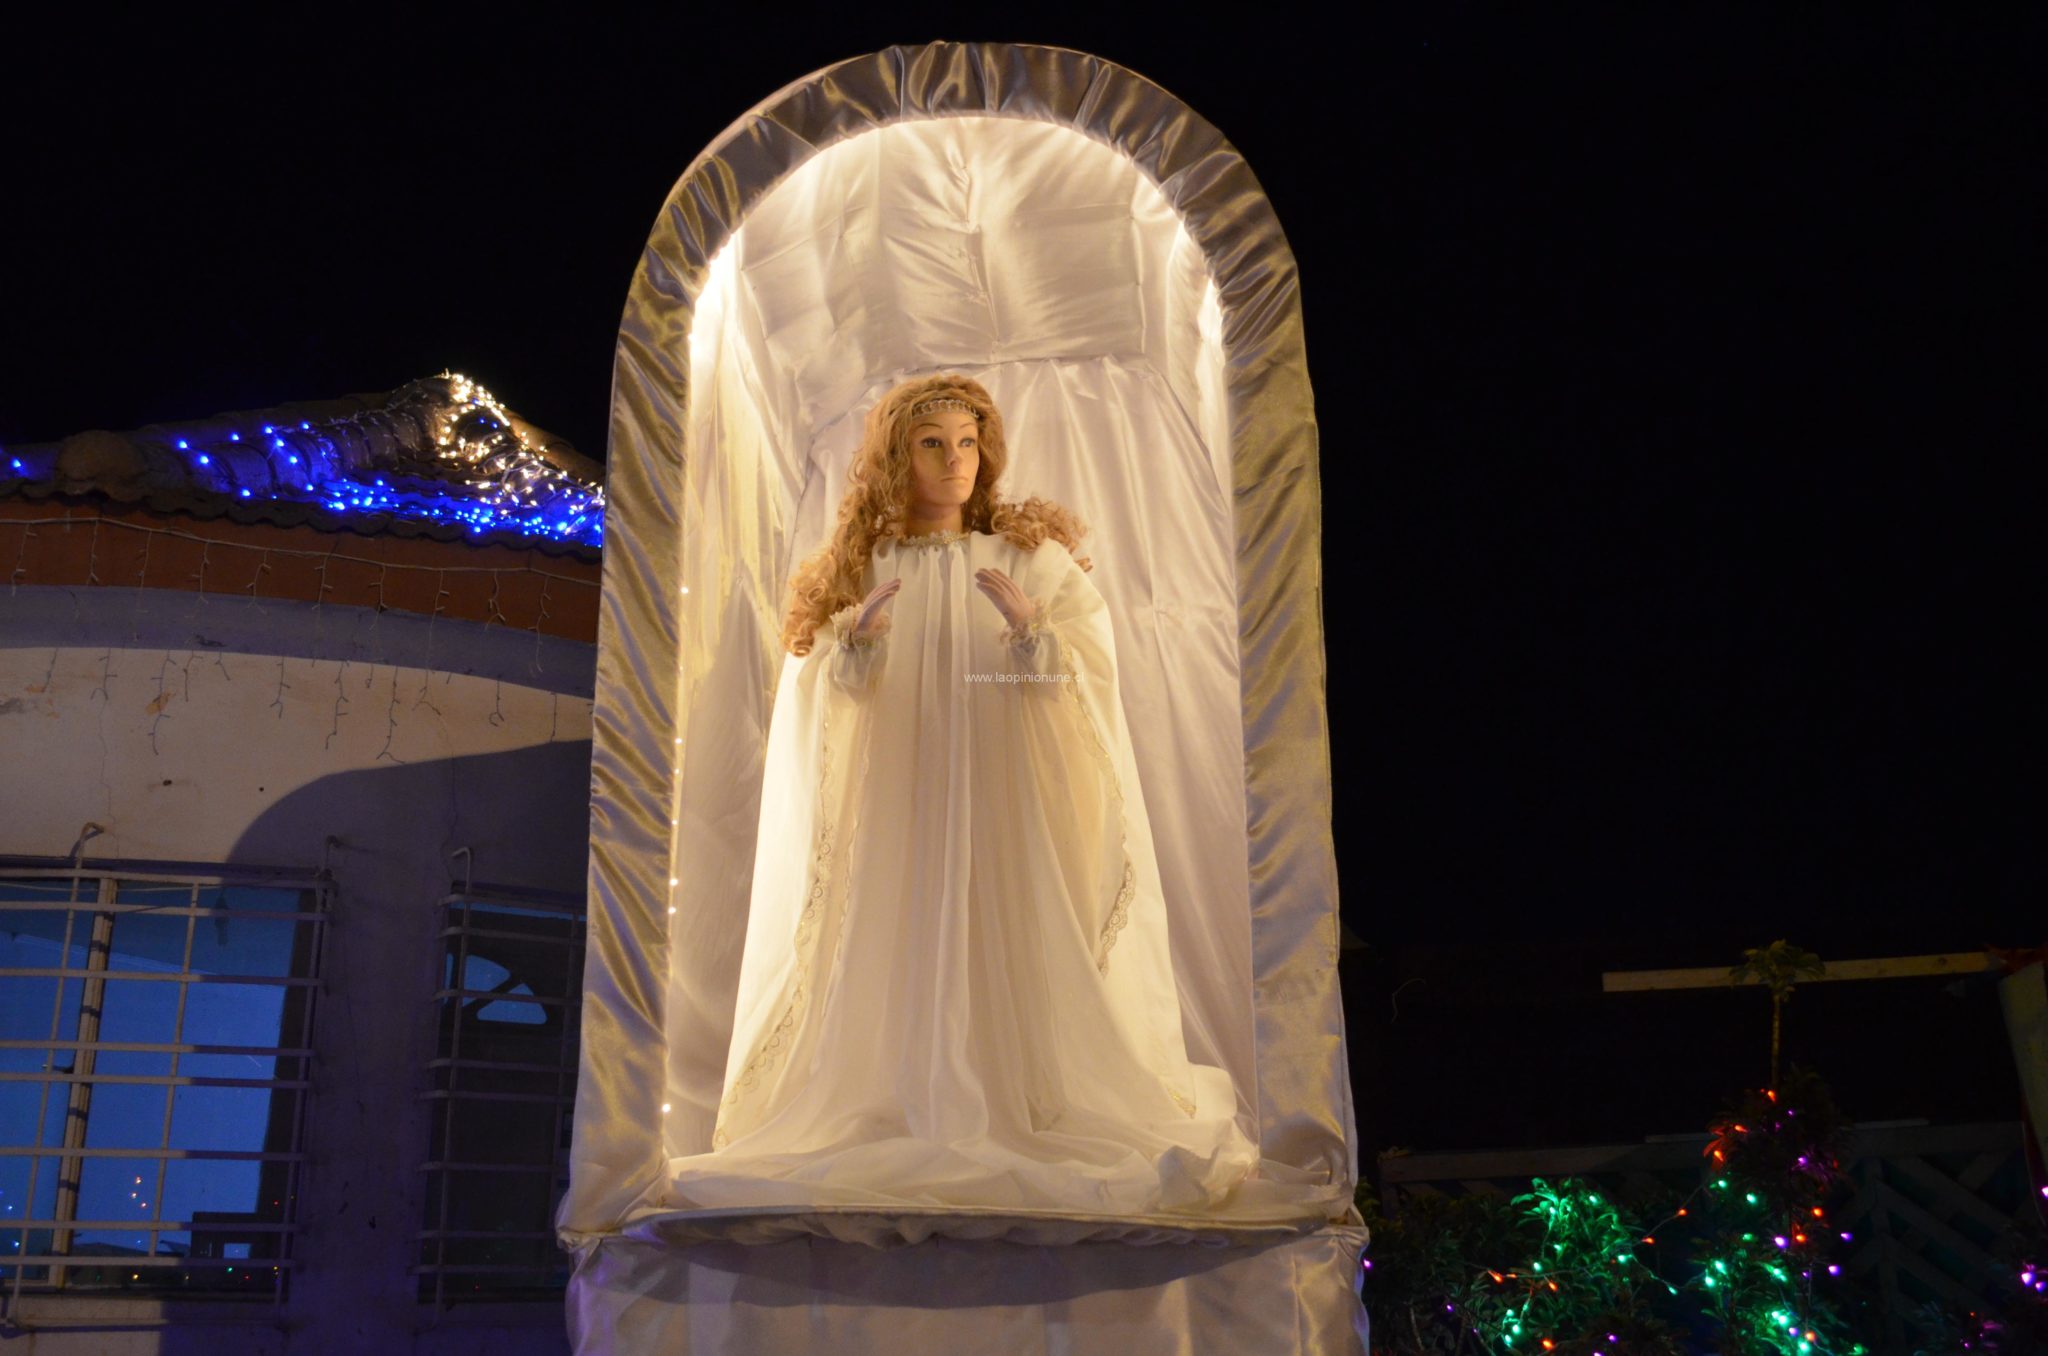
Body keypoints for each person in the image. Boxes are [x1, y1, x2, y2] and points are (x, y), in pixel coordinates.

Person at [660, 373, 1258, 1229]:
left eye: (968, 442)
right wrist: (852, 654)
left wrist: (1031, 640)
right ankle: (899, 1091)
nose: (954, 461)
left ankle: (1013, 1090)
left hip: (1000, 804)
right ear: (896, 457)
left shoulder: (1026, 561)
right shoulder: (864, 568)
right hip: (901, 802)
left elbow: (1084, 684)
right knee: (892, 930)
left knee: (1001, 928)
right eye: (932, 443)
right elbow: (818, 699)